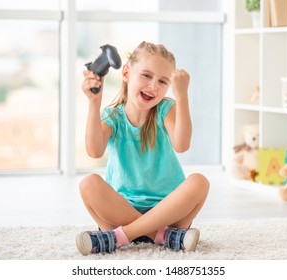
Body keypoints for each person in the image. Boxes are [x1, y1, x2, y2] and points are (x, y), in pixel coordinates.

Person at [76, 41, 209, 255]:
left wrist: (182, 97)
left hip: (169, 211)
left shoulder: (166, 109)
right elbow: (94, 151)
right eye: (146, 76)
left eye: (163, 81)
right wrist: (94, 102)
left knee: (199, 182)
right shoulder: (113, 116)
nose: (153, 86)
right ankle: (161, 236)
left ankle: (121, 237)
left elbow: (182, 145)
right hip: (121, 211)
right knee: (88, 184)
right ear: (127, 73)